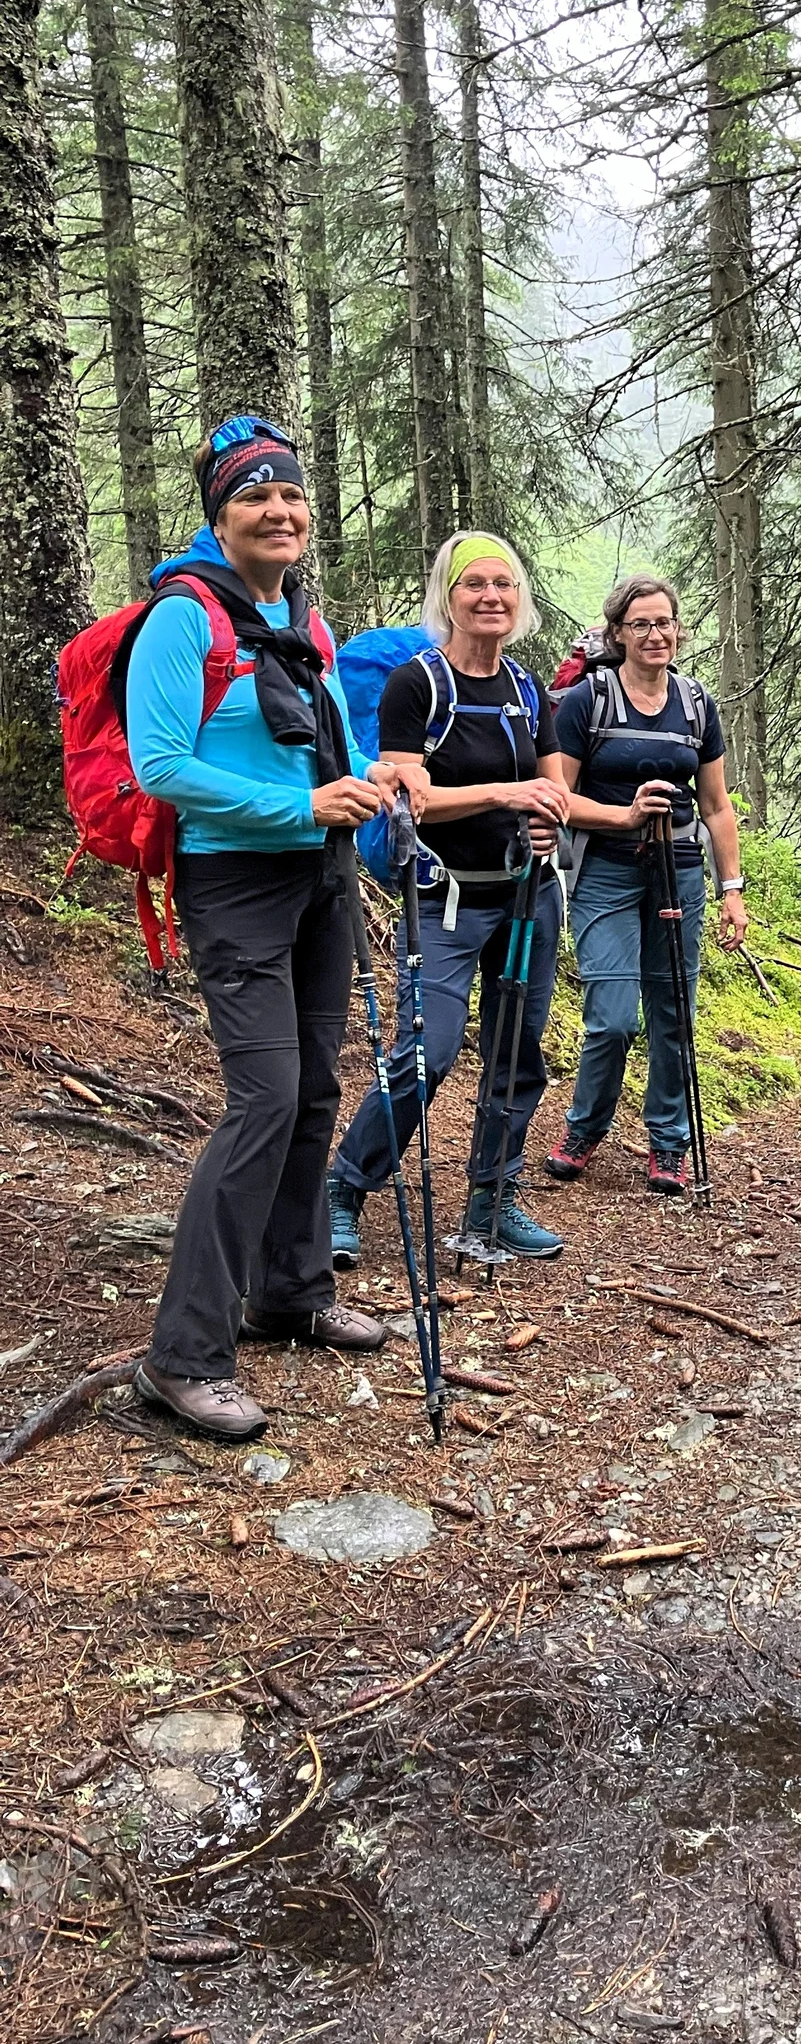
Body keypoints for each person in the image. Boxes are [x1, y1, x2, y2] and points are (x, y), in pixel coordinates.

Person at [123, 418, 415, 1441]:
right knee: (264, 1099)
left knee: (313, 1090)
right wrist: (302, 809)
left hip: (319, 878)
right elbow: (162, 767)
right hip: (237, 882)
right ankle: (182, 1356)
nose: (279, 511)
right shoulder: (181, 620)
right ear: (219, 515)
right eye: (255, 497)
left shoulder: (303, 620)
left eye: (290, 496)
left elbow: (322, 746)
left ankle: (288, 1291)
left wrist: (368, 777)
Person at [327, 535, 570, 1266]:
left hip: (526, 898)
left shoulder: (531, 693)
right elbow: (411, 799)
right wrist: (506, 792)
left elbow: (554, 788)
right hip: (443, 900)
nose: (491, 596)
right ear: (449, 596)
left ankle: (493, 1203)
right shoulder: (416, 685)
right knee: (426, 1054)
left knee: (515, 1052)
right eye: (475, 584)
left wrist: (546, 818)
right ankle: (344, 1188)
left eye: (505, 584)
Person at [544, 574, 749, 1194]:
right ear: (617, 634)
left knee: (674, 1012)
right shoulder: (589, 702)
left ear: (678, 630)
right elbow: (558, 799)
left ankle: (669, 1143)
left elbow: (715, 806)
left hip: (679, 872)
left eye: (664, 623)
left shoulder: (696, 705)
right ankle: (586, 1127)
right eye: (641, 625)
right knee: (612, 1019)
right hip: (605, 871)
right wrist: (625, 816)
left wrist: (731, 889)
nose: (656, 634)